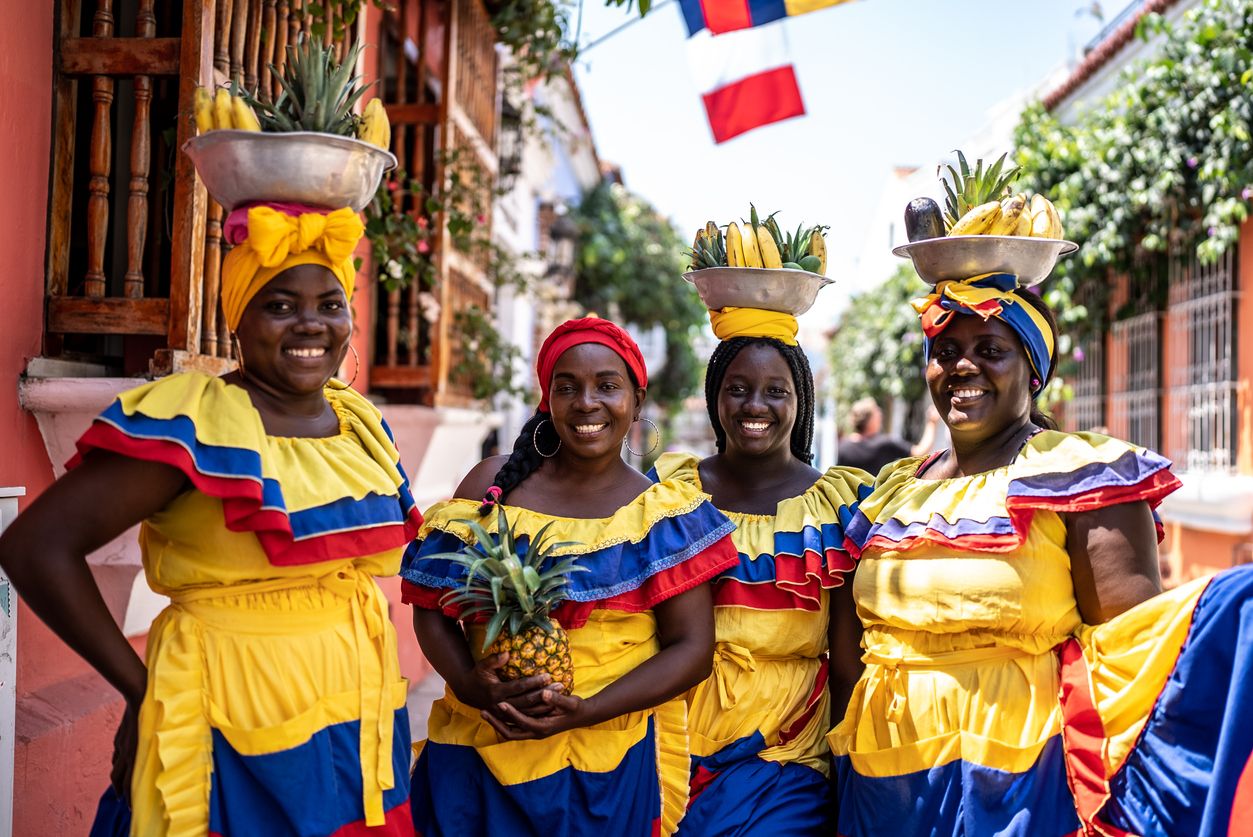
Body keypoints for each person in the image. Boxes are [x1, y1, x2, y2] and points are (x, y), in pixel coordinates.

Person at [0, 205, 423, 834]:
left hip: (357, 708)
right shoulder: (199, 423)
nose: (311, 324)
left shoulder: (355, 421)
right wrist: (141, 690)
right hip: (228, 710)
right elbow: (36, 547)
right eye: (279, 305)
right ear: (239, 318)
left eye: (330, 304)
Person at [830, 273, 1253, 836]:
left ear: (1033, 370)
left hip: (1023, 785)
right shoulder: (893, 491)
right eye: (946, 351)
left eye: (991, 350)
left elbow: (1133, 653)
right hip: (883, 785)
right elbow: (849, 654)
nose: (963, 366)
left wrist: (1231, 607)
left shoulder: (1078, 476)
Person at [401, 317, 739, 837]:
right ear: (547, 399)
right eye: (567, 387)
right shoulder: (490, 488)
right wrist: (470, 686)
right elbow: (431, 607)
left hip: (605, 761)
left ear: (636, 400)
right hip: (478, 748)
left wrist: (586, 712)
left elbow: (692, 649)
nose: (587, 402)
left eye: (607, 386)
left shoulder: (662, 516)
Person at [649, 305, 872, 835]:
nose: (756, 405)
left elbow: (846, 663)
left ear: (801, 401)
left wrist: (850, 778)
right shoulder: (669, 494)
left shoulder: (834, 508)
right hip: (666, 746)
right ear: (714, 398)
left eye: (777, 391)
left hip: (785, 755)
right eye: (738, 388)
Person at [837, 398, 939, 476]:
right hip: (877, 502)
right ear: (869, 420)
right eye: (877, 413)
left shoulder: (843, 447)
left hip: (850, 502)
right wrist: (932, 422)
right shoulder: (885, 444)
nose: (881, 416)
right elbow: (920, 451)